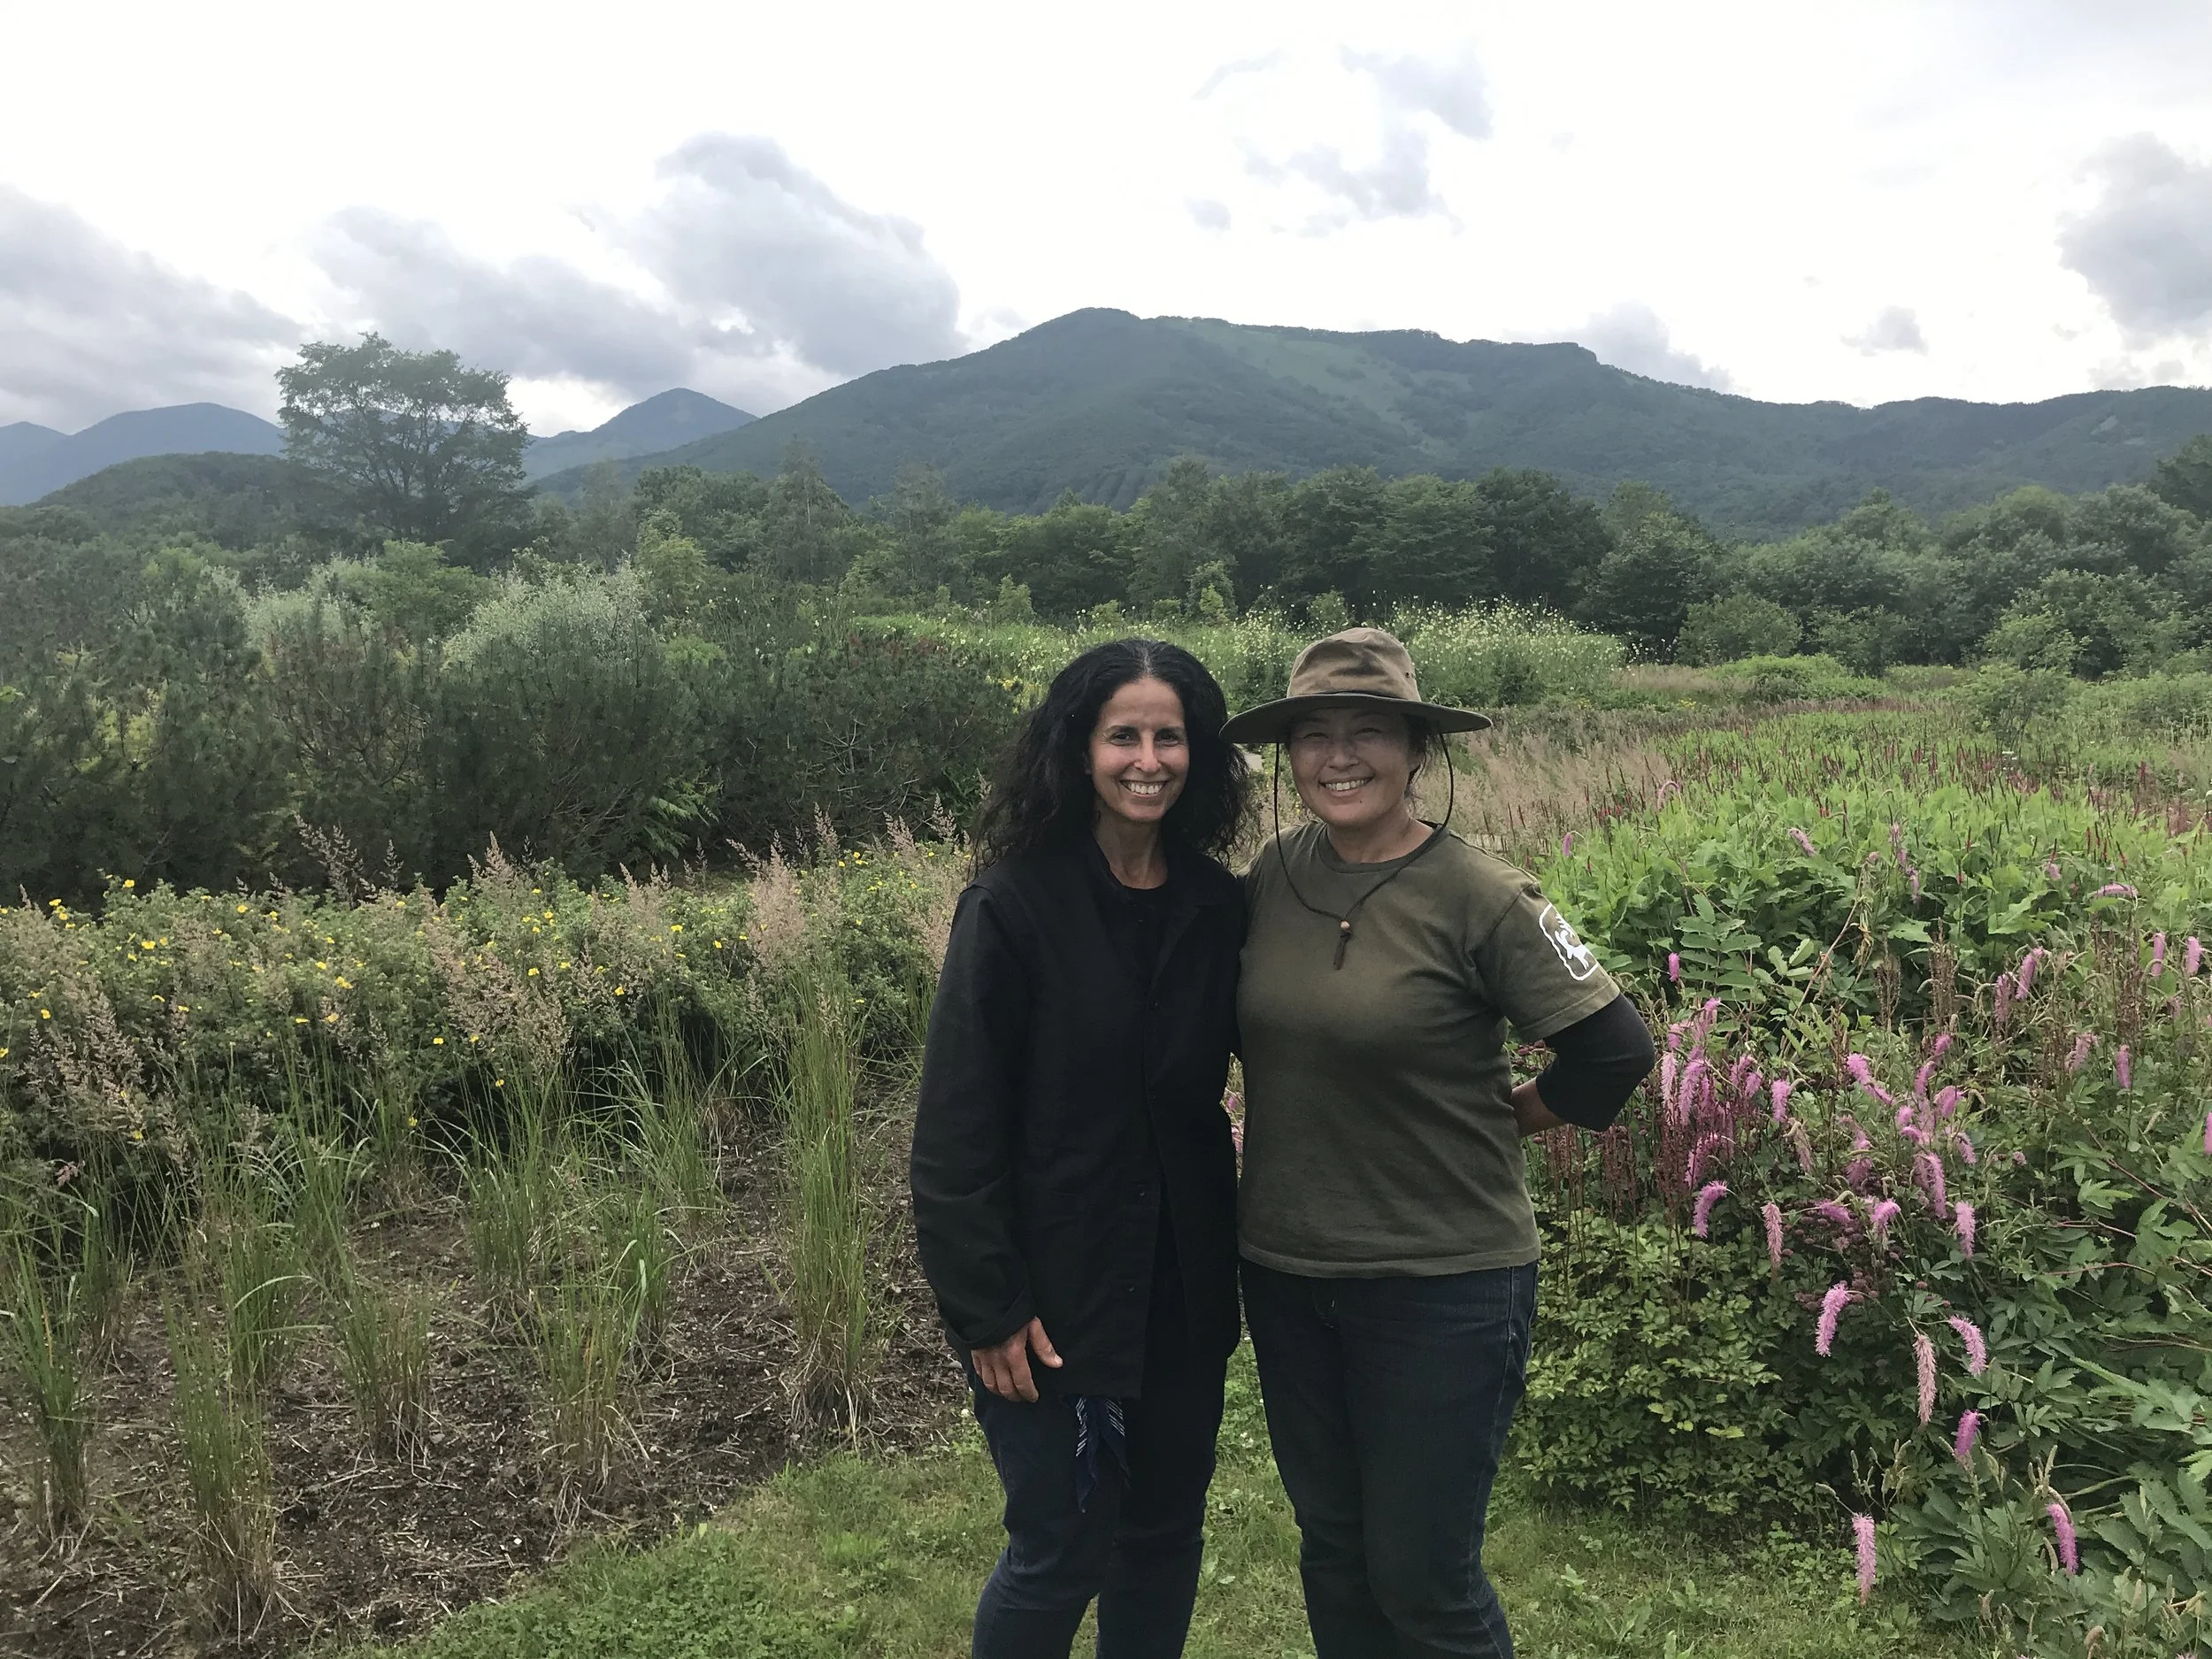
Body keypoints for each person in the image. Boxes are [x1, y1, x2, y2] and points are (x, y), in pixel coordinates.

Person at [1222, 627, 1655, 1659]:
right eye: (1313, 733)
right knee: (1334, 1550)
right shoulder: (1273, 876)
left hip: (1441, 1285)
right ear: (1287, 755)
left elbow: (1614, 1051)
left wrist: (1507, 1117)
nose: (1338, 756)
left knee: (1423, 1580)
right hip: (1287, 1274)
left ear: (1418, 749)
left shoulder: (1482, 896)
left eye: (1368, 731)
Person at [911, 638, 1252, 1659]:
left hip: (1181, 1289)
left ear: (1199, 754)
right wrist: (987, 1307)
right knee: (1060, 1546)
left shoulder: (1216, 906)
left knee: (1162, 1535)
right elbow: (956, 1130)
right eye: (1122, 736)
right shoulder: (1013, 907)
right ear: (1077, 749)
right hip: (1050, 1301)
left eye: (1169, 737)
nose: (1148, 760)